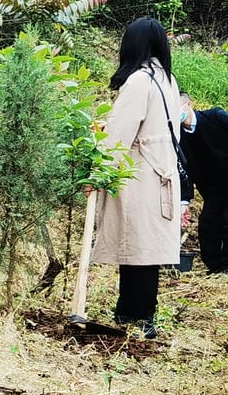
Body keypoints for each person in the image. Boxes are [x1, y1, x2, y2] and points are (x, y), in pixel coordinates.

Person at [92, 17, 193, 336]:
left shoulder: (139, 81)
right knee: (143, 249)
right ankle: (133, 313)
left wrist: (98, 174)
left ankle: (138, 316)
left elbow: (119, 135)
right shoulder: (167, 79)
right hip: (160, 172)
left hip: (140, 176)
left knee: (136, 247)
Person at [187, 107, 228, 274]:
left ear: (189, 104)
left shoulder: (216, 116)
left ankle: (226, 266)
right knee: (208, 223)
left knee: (227, 222)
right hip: (213, 186)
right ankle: (214, 266)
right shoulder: (179, 134)